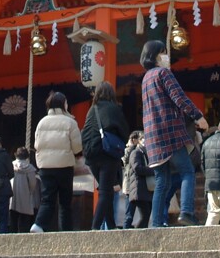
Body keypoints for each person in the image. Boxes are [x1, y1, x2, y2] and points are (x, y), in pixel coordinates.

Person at [139, 40, 209, 228]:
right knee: (187, 171)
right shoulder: (163, 73)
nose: (166, 56)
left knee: (162, 180)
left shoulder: (145, 79)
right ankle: (186, 212)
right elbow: (179, 97)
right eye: (163, 52)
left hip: (153, 136)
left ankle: (156, 223)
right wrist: (197, 116)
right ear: (155, 55)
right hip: (169, 131)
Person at [80, 81, 130, 230]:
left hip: (91, 156)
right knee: (106, 192)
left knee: (106, 190)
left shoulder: (92, 109)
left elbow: (86, 131)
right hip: (107, 153)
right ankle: (95, 227)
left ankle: (111, 225)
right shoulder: (114, 108)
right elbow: (124, 130)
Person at [30, 91, 82, 233]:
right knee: (65, 202)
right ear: (63, 104)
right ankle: (66, 231)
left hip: (45, 166)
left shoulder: (42, 122)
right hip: (64, 166)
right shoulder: (70, 122)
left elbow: (37, 145)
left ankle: (38, 224)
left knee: (47, 199)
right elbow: (77, 147)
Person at [125, 133, 154, 228]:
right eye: (144, 139)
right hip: (138, 189)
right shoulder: (136, 152)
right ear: (140, 141)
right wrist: (153, 170)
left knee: (146, 216)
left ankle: (142, 235)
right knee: (144, 216)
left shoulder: (145, 153)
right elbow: (137, 168)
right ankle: (136, 235)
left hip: (145, 190)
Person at [9, 147, 39, 233]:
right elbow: (33, 184)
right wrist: (30, 191)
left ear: (16, 155)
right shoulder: (30, 168)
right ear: (27, 156)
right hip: (25, 195)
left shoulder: (11, 165)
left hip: (12, 195)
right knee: (24, 220)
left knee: (12, 219)